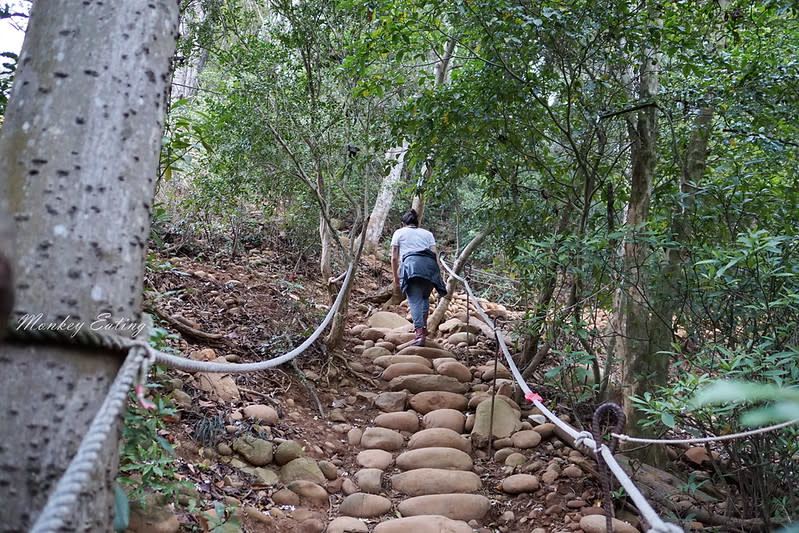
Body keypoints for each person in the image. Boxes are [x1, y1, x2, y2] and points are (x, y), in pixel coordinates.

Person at [391, 209, 447, 346]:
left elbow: (394, 257)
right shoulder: (427, 234)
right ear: (417, 223)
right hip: (429, 268)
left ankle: (420, 335)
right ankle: (423, 329)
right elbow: (435, 255)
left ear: (403, 224)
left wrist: (396, 277)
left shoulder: (399, 233)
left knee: (414, 301)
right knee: (424, 298)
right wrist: (437, 274)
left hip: (411, 268)